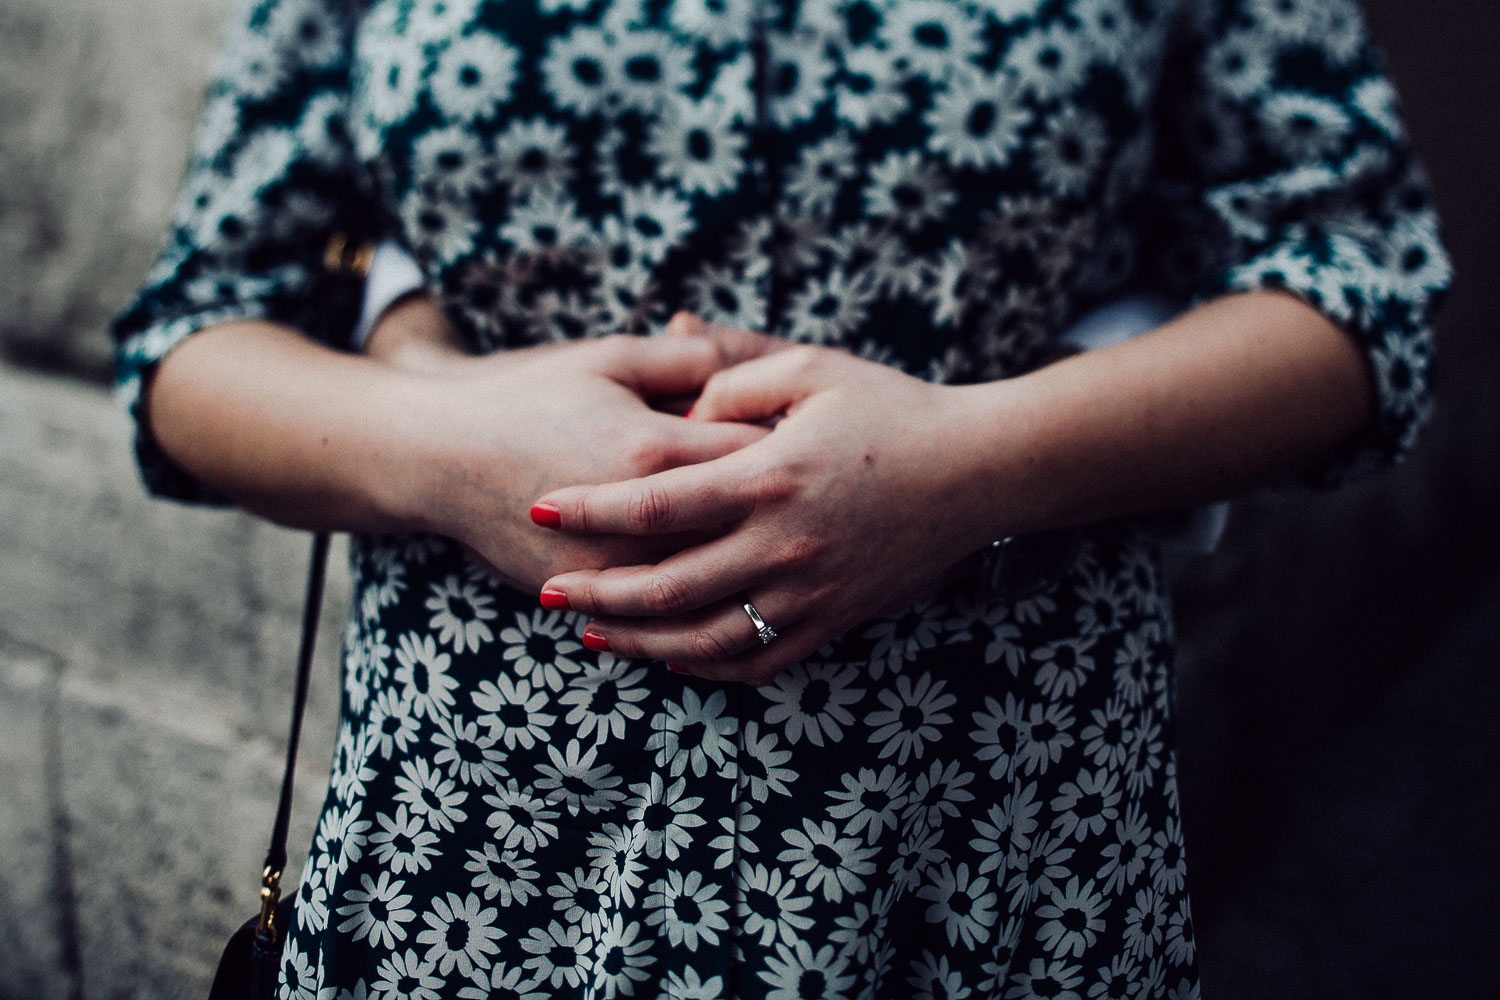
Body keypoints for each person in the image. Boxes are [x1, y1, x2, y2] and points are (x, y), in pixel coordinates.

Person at [113, 0, 1447, 996]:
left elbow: (1362, 292)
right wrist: (441, 436)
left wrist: (969, 461)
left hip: (990, 823)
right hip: (475, 846)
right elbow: (194, 338)